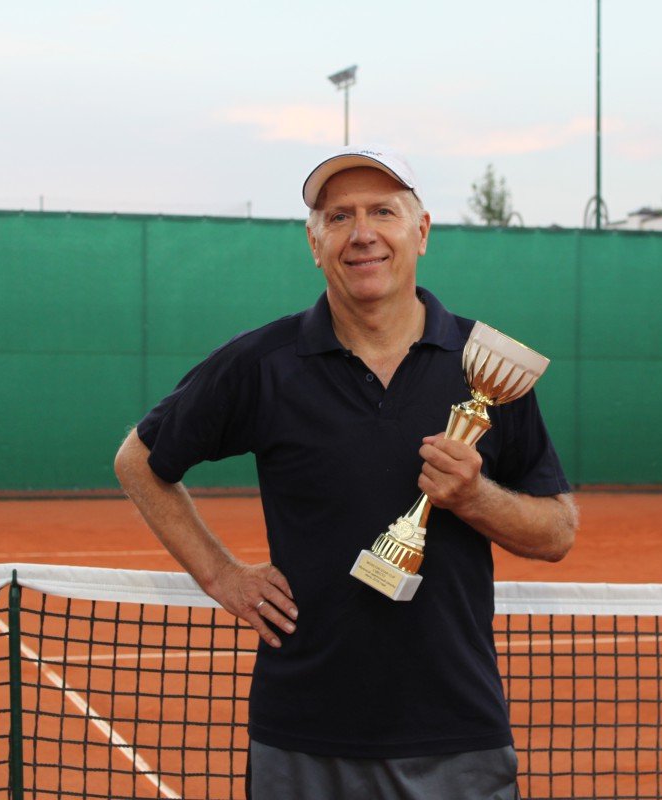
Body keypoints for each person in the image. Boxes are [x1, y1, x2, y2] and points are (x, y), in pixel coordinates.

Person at [114, 145, 578, 799]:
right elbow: (138, 460)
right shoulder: (262, 364)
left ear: (421, 231)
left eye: (383, 212)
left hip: (456, 735)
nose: (362, 234)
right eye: (339, 217)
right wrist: (220, 574)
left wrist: (474, 496)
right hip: (302, 736)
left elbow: (557, 531)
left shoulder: (488, 367)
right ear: (315, 243)